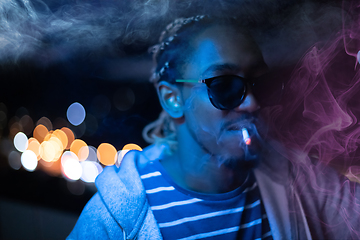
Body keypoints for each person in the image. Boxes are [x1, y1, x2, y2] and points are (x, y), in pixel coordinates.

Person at [67, 15, 360, 240]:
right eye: (225, 86)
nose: (252, 103)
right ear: (172, 99)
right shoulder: (115, 220)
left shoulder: (296, 176)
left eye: (261, 83)